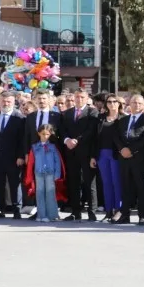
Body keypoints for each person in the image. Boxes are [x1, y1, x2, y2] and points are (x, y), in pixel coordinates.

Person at [115, 95, 144, 226]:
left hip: (139, 158)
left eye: (139, 103)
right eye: (134, 103)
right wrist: (122, 149)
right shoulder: (123, 120)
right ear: (129, 104)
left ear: (143, 105)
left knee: (141, 187)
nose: (136, 105)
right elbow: (116, 137)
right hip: (124, 158)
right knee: (125, 187)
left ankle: (142, 215)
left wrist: (131, 150)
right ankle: (125, 215)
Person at [60, 88, 99, 221]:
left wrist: (77, 140)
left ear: (87, 98)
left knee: (89, 182)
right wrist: (67, 140)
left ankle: (92, 211)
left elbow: (91, 130)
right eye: (77, 97)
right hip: (71, 152)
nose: (79, 99)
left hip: (86, 151)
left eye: (82, 97)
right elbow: (62, 130)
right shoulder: (67, 113)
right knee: (73, 182)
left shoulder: (92, 112)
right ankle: (75, 211)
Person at [0, 91, 27, 219]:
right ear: (0, 102)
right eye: (3, 101)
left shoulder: (20, 118)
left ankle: (17, 208)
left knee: (14, 183)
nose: (6, 103)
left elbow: (22, 139)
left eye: (9, 101)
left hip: (14, 158)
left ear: (14, 102)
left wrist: (21, 156)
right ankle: (0, 209)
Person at [93, 94, 124, 222]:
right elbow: (95, 138)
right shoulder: (100, 118)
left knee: (117, 183)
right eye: (109, 102)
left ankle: (119, 210)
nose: (112, 104)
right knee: (106, 184)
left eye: (114, 101)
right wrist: (93, 156)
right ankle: (108, 211)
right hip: (102, 154)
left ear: (119, 104)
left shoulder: (124, 118)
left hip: (117, 154)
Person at [28, 123, 63, 222]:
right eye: (43, 134)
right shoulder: (34, 147)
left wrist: (57, 174)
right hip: (38, 173)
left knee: (50, 193)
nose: (45, 136)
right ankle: (41, 215)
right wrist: (30, 175)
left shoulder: (53, 147)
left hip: (50, 173)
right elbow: (31, 162)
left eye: (47, 134)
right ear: (39, 133)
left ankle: (52, 215)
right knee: (39, 193)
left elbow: (57, 161)